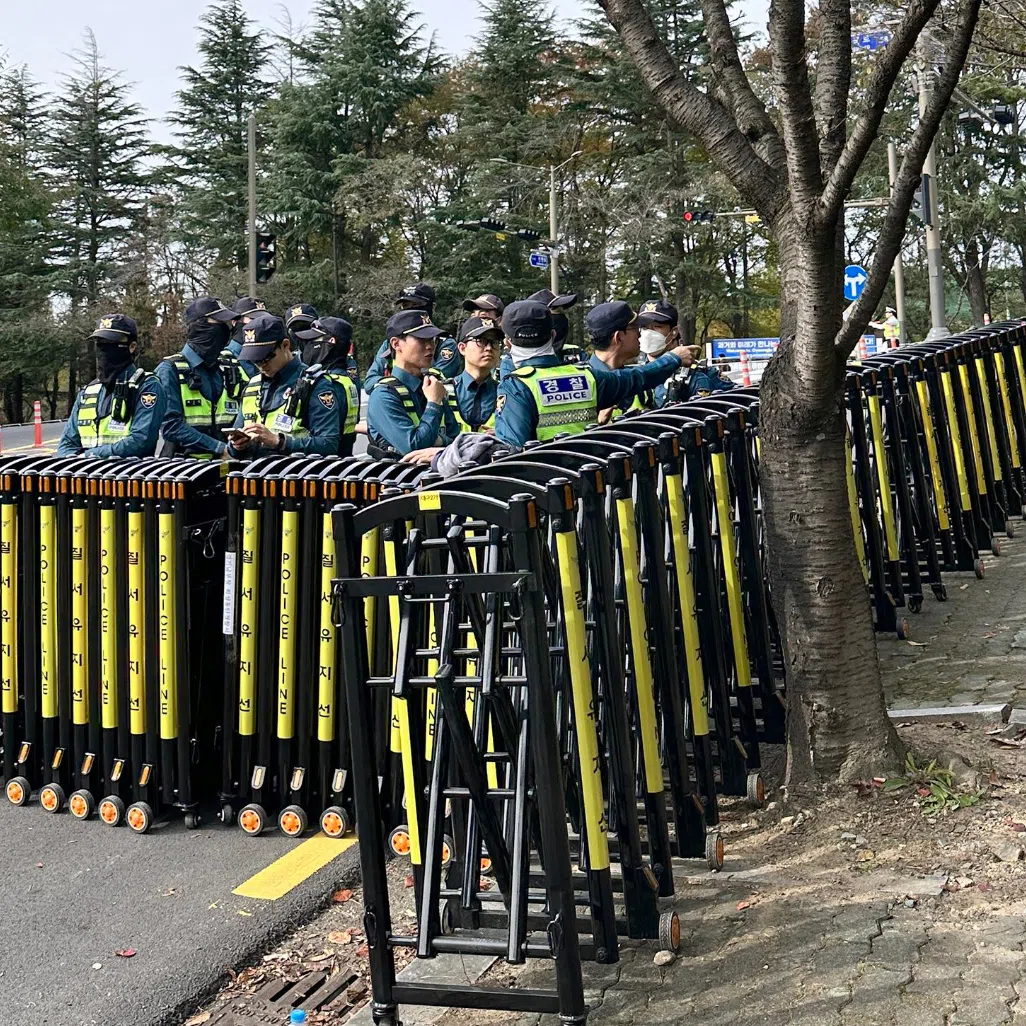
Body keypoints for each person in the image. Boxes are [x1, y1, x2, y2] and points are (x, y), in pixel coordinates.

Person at [494, 300, 694, 449]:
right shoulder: (586, 377)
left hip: (548, 490)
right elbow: (639, 377)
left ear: (508, 343)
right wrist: (673, 358)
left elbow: (512, 452)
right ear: (553, 335)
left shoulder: (516, 386)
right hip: (588, 482)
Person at [227, 312, 342, 459]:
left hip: (296, 477)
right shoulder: (252, 386)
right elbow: (233, 447)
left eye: (266, 357)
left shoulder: (315, 384)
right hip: (255, 476)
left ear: (285, 345)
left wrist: (279, 442)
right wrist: (237, 445)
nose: (262, 365)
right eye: (255, 360)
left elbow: (328, 445)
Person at [57, 314, 166, 457]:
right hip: (85, 477)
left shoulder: (147, 387)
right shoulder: (88, 391)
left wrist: (87, 456)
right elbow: (66, 445)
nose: (104, 350)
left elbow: (140, 441)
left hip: (129, 476)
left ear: (132, 346)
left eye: (111, 343)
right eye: (100, 343)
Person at [155, 297, 247, 458]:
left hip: (228, 469)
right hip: (182, 471)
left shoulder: (230, 367)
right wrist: (219, 448)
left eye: (225, 324)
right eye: (218, 322)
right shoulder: (170, 370)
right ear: (199, 326)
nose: (224, 329)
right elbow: (171, 426)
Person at [366, 309, 461, 457]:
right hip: (400, 477)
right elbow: (413, 447)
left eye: (432, 339)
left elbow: (458, 440)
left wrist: (439, 441)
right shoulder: (383, 395)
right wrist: (434, 404)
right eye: (421, 339)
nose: (430, 346)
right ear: (396, 344)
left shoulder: (432, 386)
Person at [364, 283, 461, 390]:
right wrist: (393, 386)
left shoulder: (444, 343)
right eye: (406, 306)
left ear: (432, 307)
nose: (410, 310)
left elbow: (434, 384)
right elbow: (369, 382)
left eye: (416, 305)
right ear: (396, 344)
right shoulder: (390, 343)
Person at [636, 298, 734, 401]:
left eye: (657, 326)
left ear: (674, 332)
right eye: (644, 327)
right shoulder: (634, 377)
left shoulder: (695, 378)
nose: (648, 333)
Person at [293, 316, 361, 457]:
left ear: (330, 342)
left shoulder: (327, 384)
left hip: (320, 465)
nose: (308, 345)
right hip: (343, 459)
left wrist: (281, 442)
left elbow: (325, 441)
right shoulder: (347, 380)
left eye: (313, 340)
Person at [499, 288, 582, 380]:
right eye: (554, 310)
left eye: (562, 312)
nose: (562, 317)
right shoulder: (511, 362)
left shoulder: (574, 353)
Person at [445, 316, 503, 432]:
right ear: (462, 348)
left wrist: (504, 435)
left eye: (494, 342)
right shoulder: (443, 391)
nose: (489, 348)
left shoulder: (506, 392)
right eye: (480, 341)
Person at [228, 296, 266, 376]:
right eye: (253, 319)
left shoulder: (269, 356)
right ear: (235, 322)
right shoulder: (227, 358)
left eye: (264, 319)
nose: (260, 323)